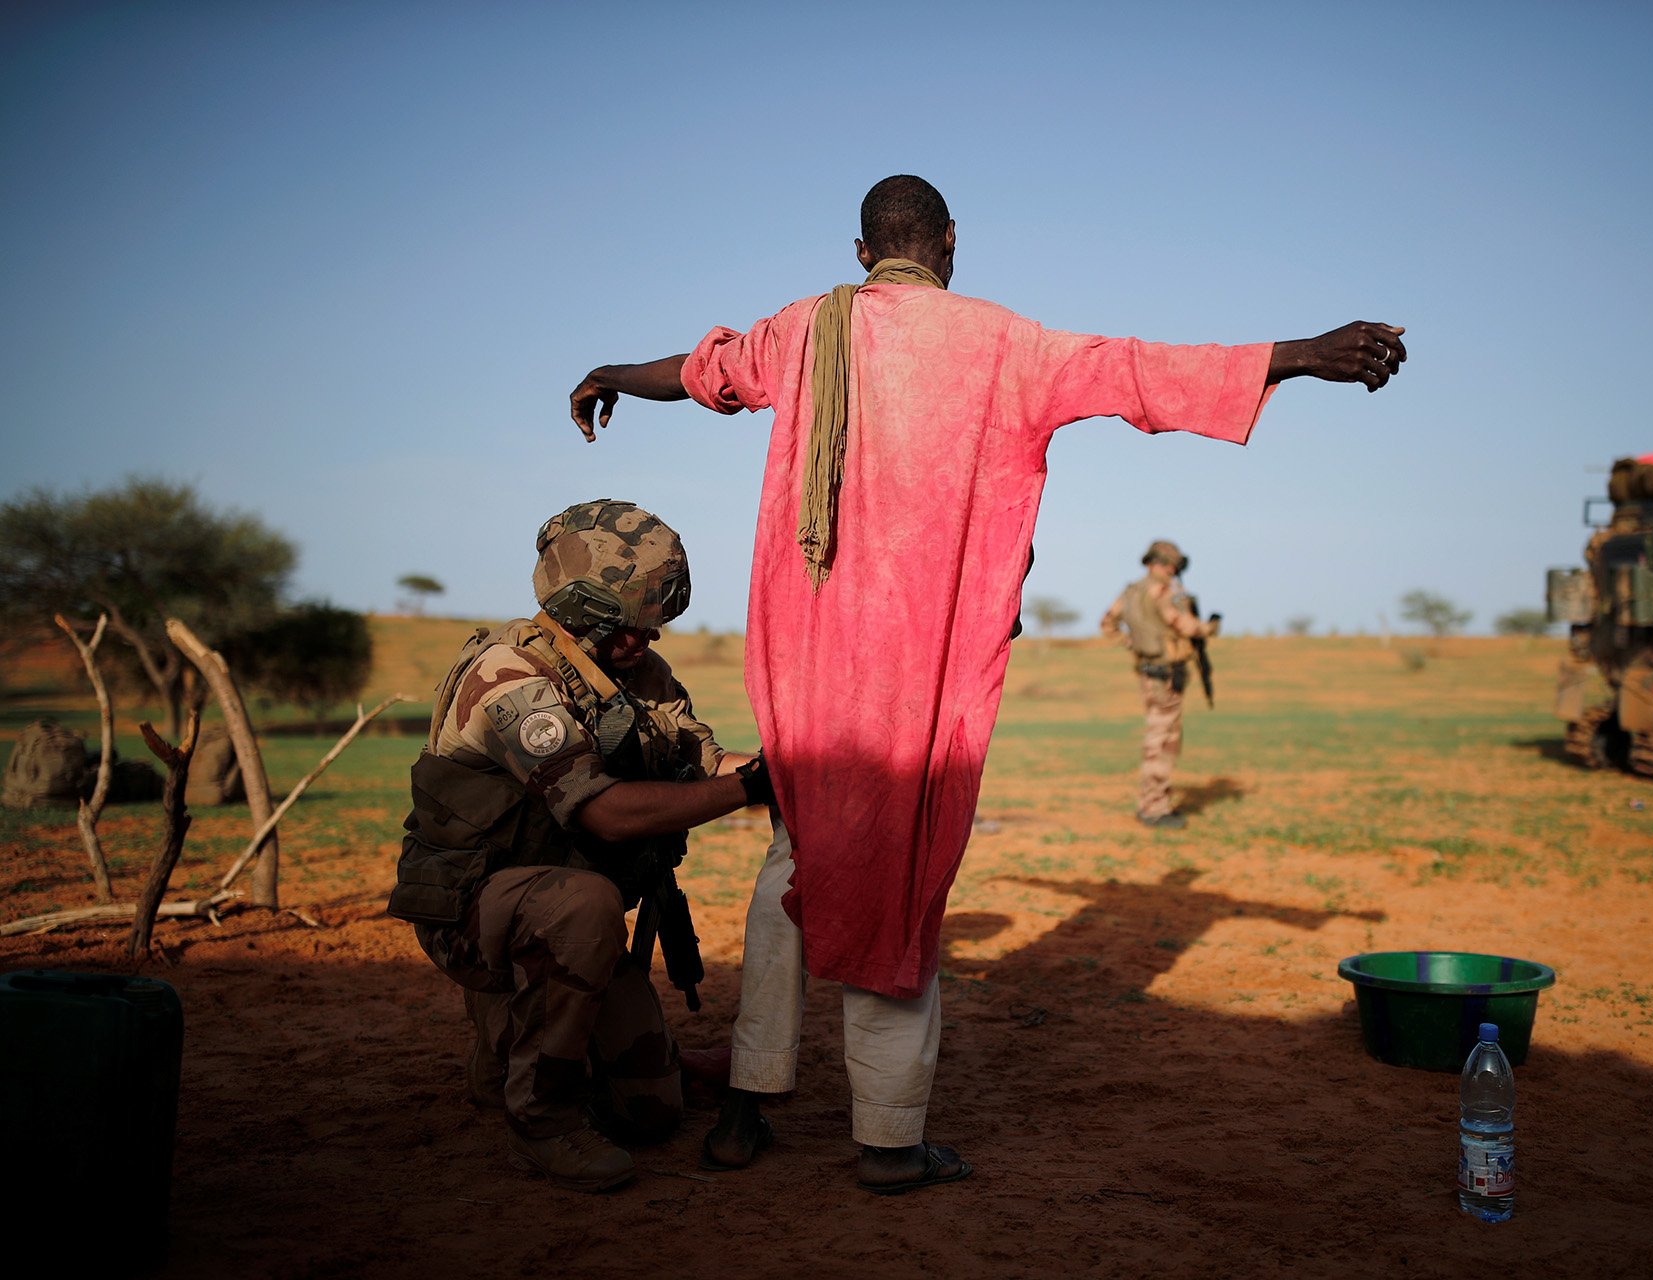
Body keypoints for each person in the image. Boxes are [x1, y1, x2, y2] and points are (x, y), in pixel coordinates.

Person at [564, 175, 1407, 1192]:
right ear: (950, 242)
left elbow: (702, 371)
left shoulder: (802, 330)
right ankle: (887, 1138)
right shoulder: (1003, 342)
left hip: (814, 661)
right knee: (903, 873)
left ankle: (746, 1108)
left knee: (797, 855)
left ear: (864, 248)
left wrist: (612, 368)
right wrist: (1307, 354)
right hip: (924, 667)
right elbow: (1138, 372)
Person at [387, 499, 773, 1193]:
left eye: (653, 623)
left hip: (563, 912)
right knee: (586, 903)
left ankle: (519, 1048)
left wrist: (791, 772)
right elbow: (608, 817)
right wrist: (757, 789)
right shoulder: (509, 678)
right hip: (479, 911)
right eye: (630, 622)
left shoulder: (639, 674)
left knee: (654, 1113)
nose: (646, 637)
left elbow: (707, 760)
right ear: (580, 605)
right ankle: (541, 1119)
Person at [1100, 539, 1219, 829]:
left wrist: (1136, 645)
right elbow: (1187, 626)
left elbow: (1108, 624)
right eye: (1171, 564)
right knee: (1162, 740)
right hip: (1167, 674)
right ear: (1163, 564)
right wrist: (1211, 627)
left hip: (1147, 671)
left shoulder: (1130, 592)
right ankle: (1154, 807)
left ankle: (1152, 803)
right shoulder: (1166, 592)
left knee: (1158, 735)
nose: (1173, 570)